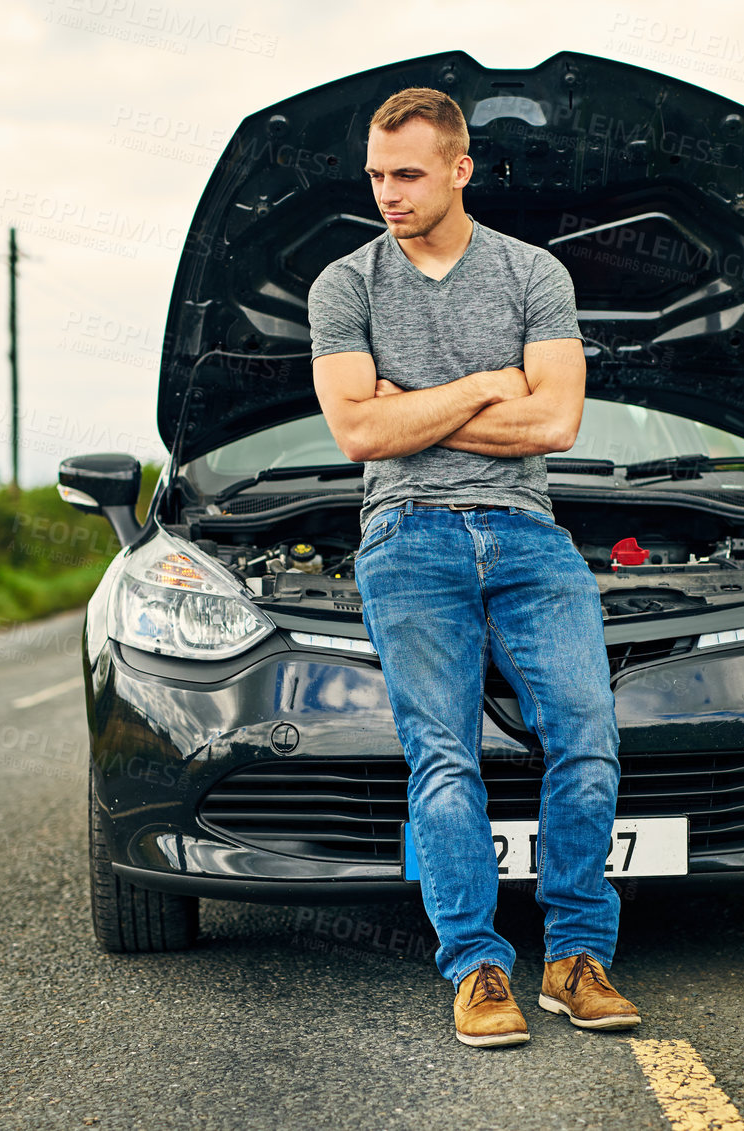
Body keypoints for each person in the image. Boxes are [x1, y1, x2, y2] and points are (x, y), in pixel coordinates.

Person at [305, 86, 640, 1048]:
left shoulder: (532, 274)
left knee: (584, 734)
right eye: (375, 174)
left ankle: (577, 958)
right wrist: (489, 383)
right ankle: (479, 967)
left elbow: (556, 421)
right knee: (442, 754)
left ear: (460, 168)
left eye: (406, 174)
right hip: (405, 531)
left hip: (529, 531)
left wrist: (421, 403)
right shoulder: (346, 284)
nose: (387, 193)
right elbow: (360, 431)